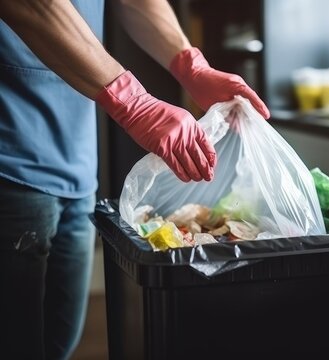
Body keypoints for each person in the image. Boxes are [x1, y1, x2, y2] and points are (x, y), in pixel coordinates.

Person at [0, 0, 270, 359]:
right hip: (11, 153)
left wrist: (190, 65)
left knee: (58, 342)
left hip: (75, 154)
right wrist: (134, 101)